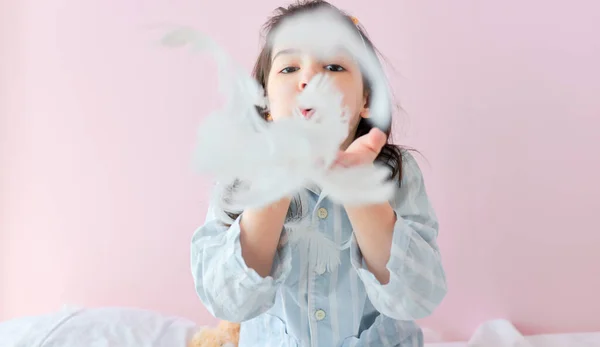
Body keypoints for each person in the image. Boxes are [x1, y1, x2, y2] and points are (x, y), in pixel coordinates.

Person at [190, 1, 447, 346]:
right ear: (266, 105)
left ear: (366, 100)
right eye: (289, 68)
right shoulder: (240, 176)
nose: (309, 78)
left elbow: (418, 296)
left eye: (333, 65)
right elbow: (228, 302)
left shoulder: (395, 174)